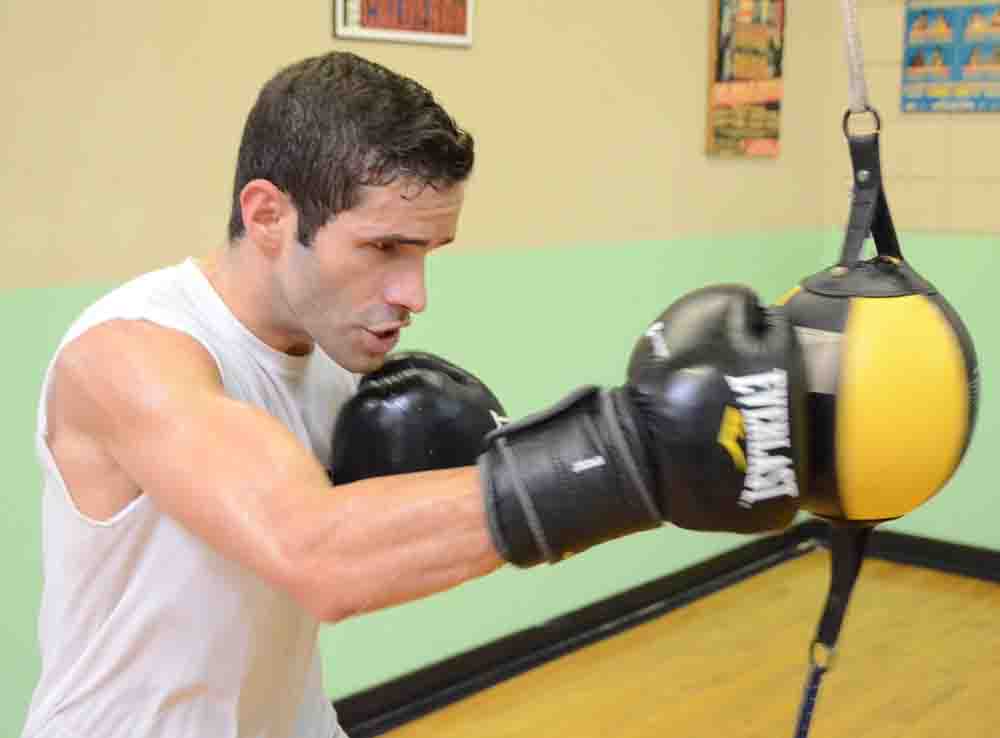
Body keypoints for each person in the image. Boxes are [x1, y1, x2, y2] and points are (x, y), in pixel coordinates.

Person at [21, 51, 805, 738]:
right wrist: (629, 455)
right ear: (267, 216)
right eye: (384, 247)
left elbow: (445, 529)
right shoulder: (130, 356)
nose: (414, 294)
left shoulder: (339, 358)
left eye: (429, 250)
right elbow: (315, 553)